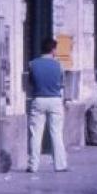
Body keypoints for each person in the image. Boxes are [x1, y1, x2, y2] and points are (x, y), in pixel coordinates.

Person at [26, 36, 68, 173]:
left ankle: (33, 165)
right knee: (56, 133)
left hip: (38, 99)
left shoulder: (32, 64)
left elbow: (30, 83)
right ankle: (60, 165)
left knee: (36, 134)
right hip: (55, 100)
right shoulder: (59, 65)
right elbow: (62, 83)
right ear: (53, 50)